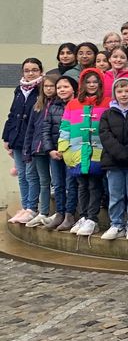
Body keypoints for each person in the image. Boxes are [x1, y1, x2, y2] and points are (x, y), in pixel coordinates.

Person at [59, 68, 109, 236]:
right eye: (88, 82)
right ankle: (83, 216)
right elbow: (65, 127)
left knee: (94, 184)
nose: (92, 85)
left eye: (95, 82)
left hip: (97, 151)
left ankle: (92, 218)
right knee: (82, 185)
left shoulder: (107, 102)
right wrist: (64, 148)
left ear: (100, 84)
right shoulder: (73, 104)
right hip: (77, 151)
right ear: (82, 84)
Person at [98, 78, 128, 240]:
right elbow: (105, 135)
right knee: (115, 195)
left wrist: (127, 152)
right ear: (115, 94)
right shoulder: (108, 114)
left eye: (127, 91)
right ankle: (116, 224)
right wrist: (119, 153)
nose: (124, 94)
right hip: (113, 161)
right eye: (120, 91)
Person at [4, 58, 44, 223]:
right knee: (21, 174)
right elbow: (12, 114)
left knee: (31, 174)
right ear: (23, 72)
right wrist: (7, 137)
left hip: (32, 140)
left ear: (40, 71)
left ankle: (32, 208)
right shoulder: (19, 89)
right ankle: (25, 205)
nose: (30, 73)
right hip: (17, 138)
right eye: (27, 70)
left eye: (34, 70)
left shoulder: (41, 89)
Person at [21, 74, 60, 227]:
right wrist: (27, 149)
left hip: (54, 149)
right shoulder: (37, 105)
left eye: (52, 86)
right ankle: (43, 212)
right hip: (38, 149)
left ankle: (58, 213)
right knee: (44, 182)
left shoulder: (59, 104)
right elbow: (30, 129)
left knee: (57, 182)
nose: (49, 89)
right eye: (46, 86)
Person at [43, 76, 78, 230]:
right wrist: (50, 149)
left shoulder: (78, 106)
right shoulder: (52, 107)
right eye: (59, 88)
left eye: (66, 87)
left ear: (74, 89)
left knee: (71, 184)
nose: (62, 90)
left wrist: (69, 149)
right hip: (55, 154)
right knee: (58, 184)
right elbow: (45, 130)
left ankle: (69, 215)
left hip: (72, 152)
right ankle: (59, 213)